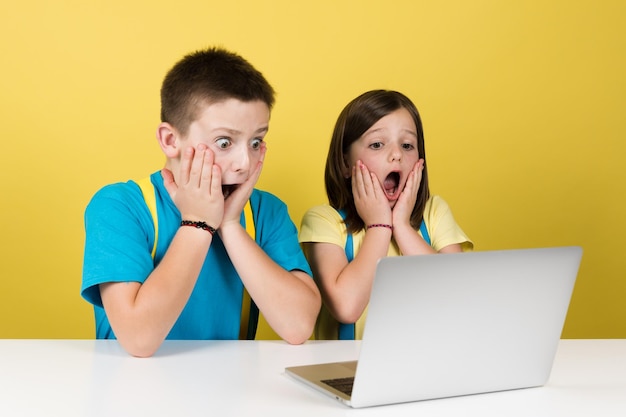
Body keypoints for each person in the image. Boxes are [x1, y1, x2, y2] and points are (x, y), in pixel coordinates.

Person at [81, 47, 321, 357]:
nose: (244, 163)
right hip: (132, 391)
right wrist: (197, 223)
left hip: (230, 391)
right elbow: (139, 339)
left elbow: (298, 325)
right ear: (170, 141)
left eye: (256, 142)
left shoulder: (267, 211)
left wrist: (231, 225)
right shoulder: (118, 206)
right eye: (224, 142)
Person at [299, 89, 473, 340]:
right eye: (377, 144)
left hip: (426, 364)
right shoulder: (324, 221)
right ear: (345, 163)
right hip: (350, 370)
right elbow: (347, 308)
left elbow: (460, 296)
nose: (397, 154)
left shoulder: (435, 212)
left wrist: (401, 226)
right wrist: (379, 226)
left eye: (407, 145)